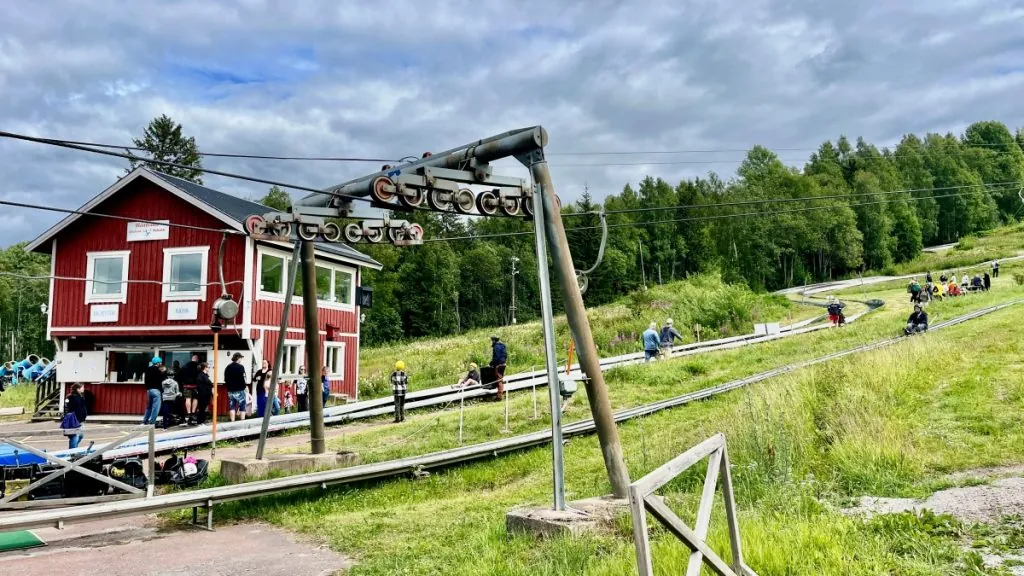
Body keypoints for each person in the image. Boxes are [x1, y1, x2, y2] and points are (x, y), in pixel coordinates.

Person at [224, 352, 248, 421]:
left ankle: (232, 422)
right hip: (240, 389)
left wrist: (229, 387)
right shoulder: (241, 367)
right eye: (241, 358)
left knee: (232, 406)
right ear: (238, 358)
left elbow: (226, 379)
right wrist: (245, 386)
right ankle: (242, 421)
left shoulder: (228, 367)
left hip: (231, 390)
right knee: (242, 406)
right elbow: (244, 378)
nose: (241, 360)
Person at [142, 357, 165, 425]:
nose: (161, 363)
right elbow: (161, 379)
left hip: (149, 390)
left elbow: (145, 380)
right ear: (158, 363)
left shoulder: (148, 369)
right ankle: (152, 422)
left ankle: (145, 421)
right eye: (160, 362)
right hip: (156, 390)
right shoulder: (158, 370)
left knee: (149, 406)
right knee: (156, 407)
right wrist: (163, 372)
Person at [178, 354, 200, 425]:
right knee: (195, 399)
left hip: (186, 385)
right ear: (197, 359)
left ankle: (189, 413)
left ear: (192, 359)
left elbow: (179, 375)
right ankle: (193, 414)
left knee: (188, 399)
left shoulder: (185, 366)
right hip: (195, 385)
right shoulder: (198, 366)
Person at [65, 383, 87, 449]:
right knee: (75, 436)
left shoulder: (80, 396)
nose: (83, 389)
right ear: (78, 389)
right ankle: (72, 453)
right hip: (74, 420)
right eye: (82, 387)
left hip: (80, 419)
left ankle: (74, 450)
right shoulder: (72, 397)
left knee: (80, 436)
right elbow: (70, 408)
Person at [489, 335, 507, 401]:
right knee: (500, 379)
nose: (491, 341)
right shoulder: (502, 346)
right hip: (503, 364)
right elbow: (505, 355)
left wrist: (491, 363)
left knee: (499, 380)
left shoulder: (496, 347)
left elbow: (496, 357)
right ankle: (499, 394)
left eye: (492, 340)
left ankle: (499, 396)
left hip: (498, 365)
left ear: (494, 340)